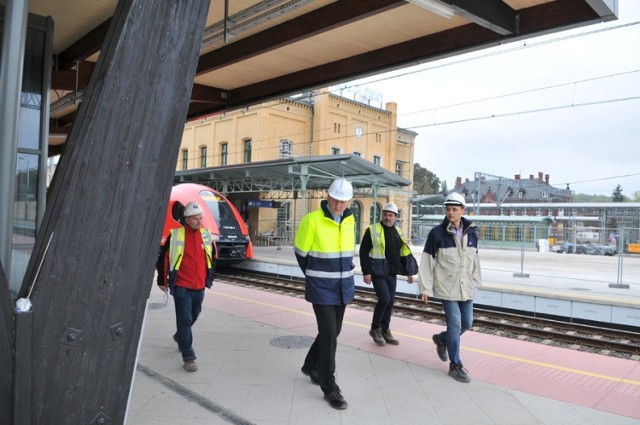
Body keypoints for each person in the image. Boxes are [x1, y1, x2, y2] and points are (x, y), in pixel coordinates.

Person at [294, 178, 355, 410]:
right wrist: (314, 276)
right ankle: (329, 386)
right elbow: (301, 252)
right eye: (336, 200)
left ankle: (310, 365)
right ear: (328, 197)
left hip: (343, 286)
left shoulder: (350, 220)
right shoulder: (312, 220)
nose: (339, 205)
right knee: (329, 333)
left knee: (334, 330)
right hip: (321, 287)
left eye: (344, 201)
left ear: (350, 201)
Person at [418, 192, 482, 383]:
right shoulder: (436, 234)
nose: (450, 212)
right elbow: (427, 262)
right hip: (447, 287)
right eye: (448, 209)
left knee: (467, 323)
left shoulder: (472, 232)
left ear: (463, 210)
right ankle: (455, 365)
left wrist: (477, 280)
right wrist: (424, 288)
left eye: (454, 209)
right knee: (455, 324)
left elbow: (475, 259)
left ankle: (442, 340)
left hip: (466, 286)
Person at [156, 201, 216, 372]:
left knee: (194, 314)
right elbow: (164, 259)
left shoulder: (206, 235)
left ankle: (179, 336)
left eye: (200, 218)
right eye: (196, 219)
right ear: (187, 220)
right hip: (182, 285)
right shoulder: (175, 235)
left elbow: (212, 257)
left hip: (199, 285)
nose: (199, 222)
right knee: (185, 320)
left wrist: (210, 277)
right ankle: (188, 356)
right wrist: (162, 280)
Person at [359, 202, 415, 346]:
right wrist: (366, 272)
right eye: (385, 214)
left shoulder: (398, 232)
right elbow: (363, 251)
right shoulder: (372, 230)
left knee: (390, 302)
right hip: (377, 271)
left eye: (390, 215)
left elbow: (404, 253)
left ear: (396, 217)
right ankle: (375, 328)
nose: (387, 217)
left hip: (392, 272)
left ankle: (385, 329)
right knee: (384, 299)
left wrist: (409, 271)